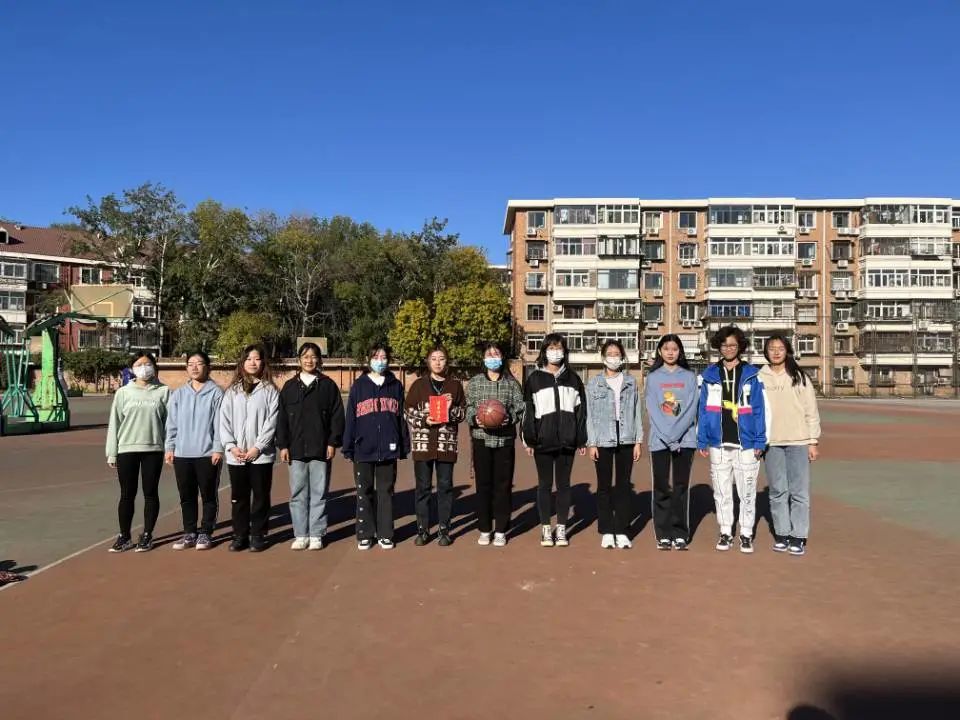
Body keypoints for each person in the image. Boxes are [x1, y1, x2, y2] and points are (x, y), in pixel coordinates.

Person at [697, 326, 769, 553]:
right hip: (718, 442)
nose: (728, 349)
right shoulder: (709, 375)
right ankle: (726, 531)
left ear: (740, 347)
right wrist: (702, 438)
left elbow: (760, 410)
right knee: (721, 491)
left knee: (747, 491)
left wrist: (760, 440)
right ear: (718, 347)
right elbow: (702, 409)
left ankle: (746, 533)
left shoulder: (752, 375)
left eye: (733, 345)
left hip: (746, 442)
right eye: (724, 345)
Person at [276, 342, 345, 551]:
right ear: (299, 360)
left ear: (319, 360)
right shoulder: (289, 387)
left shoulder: (327, 385)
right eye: (305, 356)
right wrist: (283, 445)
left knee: (319, 492)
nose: (309, 360)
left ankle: (316, 533)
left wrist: (332, 442)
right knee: (298, 493)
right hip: (295, 449)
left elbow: (337, 417)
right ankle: (301, 534)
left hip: (320, 448)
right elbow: (281, 419)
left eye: (314, 356)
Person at [342, 343, 410, 550]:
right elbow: (351, 418)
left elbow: (401, 418)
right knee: (364, 491)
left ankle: (385, 533)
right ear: (368, 359)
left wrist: (404, 444)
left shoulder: (395, 385)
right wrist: (348, 445)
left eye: (383, 357)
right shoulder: (359, 386)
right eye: (376, 357)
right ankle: (365, 533)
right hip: (363, 447)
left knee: (386, 491)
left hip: (389, 447)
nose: (380, 361)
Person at [522, 333, 587, 548]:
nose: (555, 352)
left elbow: (581, 412)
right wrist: (529, 439)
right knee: (544, 484)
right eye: (551, 348)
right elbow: (528, 411)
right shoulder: (534, 379)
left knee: (564, 485)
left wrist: (581, 439)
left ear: (564, 352)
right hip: (543, 440)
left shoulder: (574, 379)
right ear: (544, 351)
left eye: (559, 348)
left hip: (567, 441)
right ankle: (545, 528)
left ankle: (561, 528)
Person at [759, 334, 821, 556]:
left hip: (798, 441)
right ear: (766, 352)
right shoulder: (759, 377)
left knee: (799, 491)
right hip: (771, 442)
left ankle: (798, 536)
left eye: (780, 348)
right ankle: (782, 533)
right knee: (777, 491)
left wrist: (813, 441)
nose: (776, 352)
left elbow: (811, 410)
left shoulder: (799, 376)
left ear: (787, 351)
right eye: (772, 348)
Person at [106, 352, 170, 553]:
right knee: (127, 494)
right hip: (127, 449)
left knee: (150, 493)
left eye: (148, 364)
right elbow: (115, 423)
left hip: (153, 449)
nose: (144, 368)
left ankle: (147, 534)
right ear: (132, 368)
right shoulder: (123, 393)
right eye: (139, 364)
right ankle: (124, 536)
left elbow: (170, 424)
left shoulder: (164, 391)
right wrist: (112, 452)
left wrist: (169, 448)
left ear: (154, 367)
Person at [219, 344, 279, 553]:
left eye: (257, 359)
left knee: (260, 496)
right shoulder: (232, 391)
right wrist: (231, 446)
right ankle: (240, 535)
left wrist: (258, 447)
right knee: (239, 497)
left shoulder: (270, 390)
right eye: (248, 359)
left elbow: (272, 422)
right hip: (236, 456)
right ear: (242, 363)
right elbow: (224, 421)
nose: (253, 362)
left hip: (260, 455)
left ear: (263, 362)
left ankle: (258, 534)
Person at [404, 345, 466, 546]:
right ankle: (422, 530)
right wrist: (424, 420)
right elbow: (407, 411)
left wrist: (450, 408)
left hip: (445, 446)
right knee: (423, 488)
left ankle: (444, 529)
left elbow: (463, 413)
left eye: (441, 358)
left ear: (447, 362)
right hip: (423, 445)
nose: (438, 362)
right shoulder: (419, 385)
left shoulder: (455, 385)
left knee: (445, 488)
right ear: (428, 362)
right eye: (434, 359)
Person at [465, 342, 524, 547]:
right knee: (483, 485)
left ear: (502, 357)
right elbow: (468, 407)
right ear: (483, 359)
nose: (492, 357)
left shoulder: (511, 383)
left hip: (504, 441)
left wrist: (510, 418)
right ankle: (484, 528)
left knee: (503, 485)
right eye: (489, 354)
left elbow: (520, 407)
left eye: (496, 353)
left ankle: (500, 529)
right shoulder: (475, 383)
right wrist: (475, 418)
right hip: (481, 439)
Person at [164, 351, 224, 551]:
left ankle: (206, 532)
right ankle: (189, 532)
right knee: (186, 496)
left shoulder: (216, 393)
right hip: (182, 454)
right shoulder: (179, 394)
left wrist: (217, 449)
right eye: (191, 364)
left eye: (199, 363)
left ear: (207, 367)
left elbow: (219, 424)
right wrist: (170, 447)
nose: (195, 367)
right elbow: (172, 424)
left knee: (208, 495)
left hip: (207, 454)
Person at [585, 340, 642, 549]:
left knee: (623, 485)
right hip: (602, 437)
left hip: (626, 436)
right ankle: (607, 529)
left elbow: (637, 411)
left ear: (622, 357)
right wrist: (592, 443)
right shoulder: (594, 383)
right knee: (604, 485)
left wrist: (638, 440)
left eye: (617, 353)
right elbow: (589, 415)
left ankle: (622, 529)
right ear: (603, 358)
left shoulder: (631, 382)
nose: (613, 357)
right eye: (609, 353)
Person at [645, 334, 698, 550]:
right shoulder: (653, 377)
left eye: (674, 349)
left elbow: (691, 409)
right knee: (661, 486)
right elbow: (652, 410)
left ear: (680, 352)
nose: (670, 352)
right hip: (660, 441)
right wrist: (668, 438)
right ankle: (663, 533)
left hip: (685, 440)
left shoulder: (689, 377)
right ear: (660, 351)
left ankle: (679, 533)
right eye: (666, 348)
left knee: (680, 486)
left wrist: (675, 436)